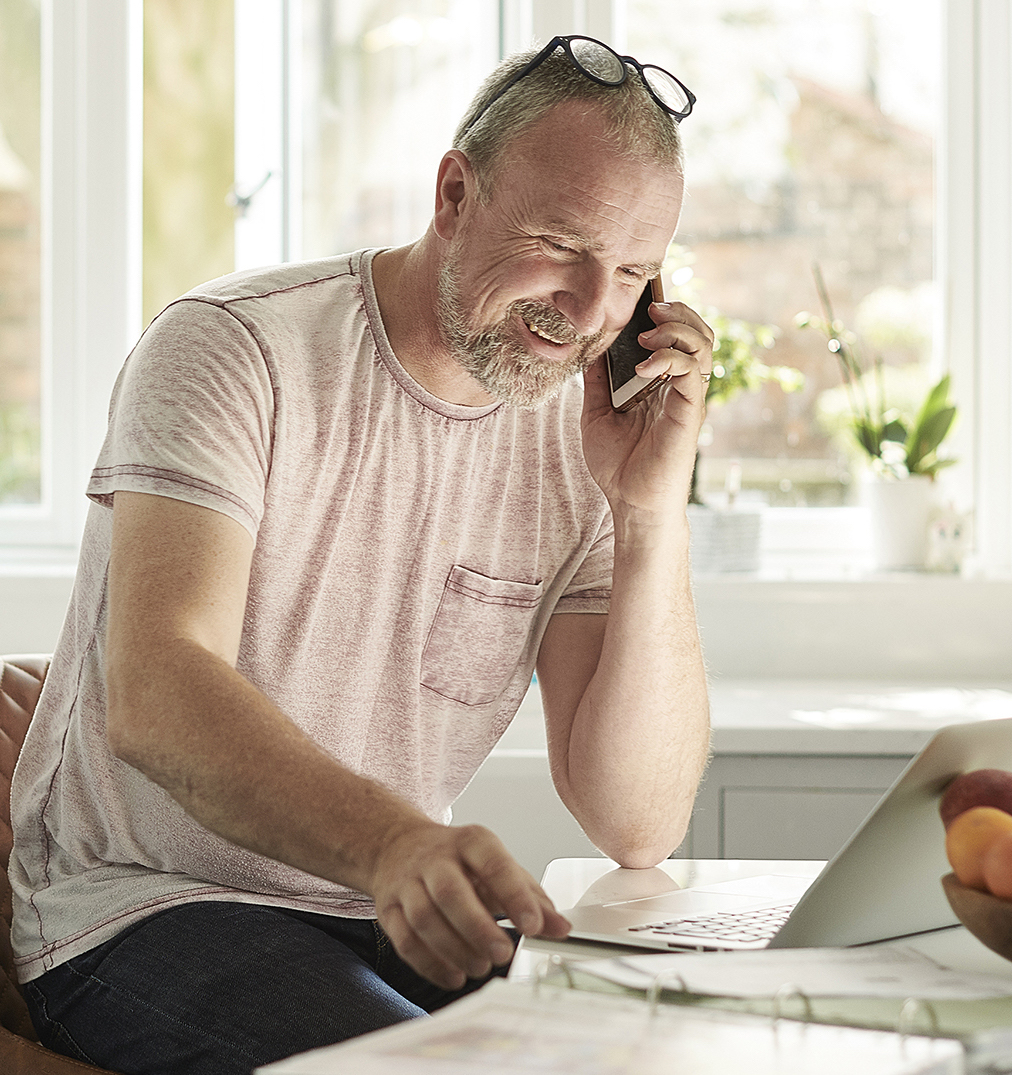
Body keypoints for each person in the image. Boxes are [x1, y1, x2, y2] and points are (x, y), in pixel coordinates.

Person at [8, 35, 712, 1075]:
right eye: (561, 244)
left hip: (380, 910)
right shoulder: (233, 349)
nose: (589, 309)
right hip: (142, 906)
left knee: (658, 1057)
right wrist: (395, 843)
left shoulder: (579, 433)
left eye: (631, 273)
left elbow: (637, 822)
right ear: (455, 193)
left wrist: (648, 511)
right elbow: (158, 689)